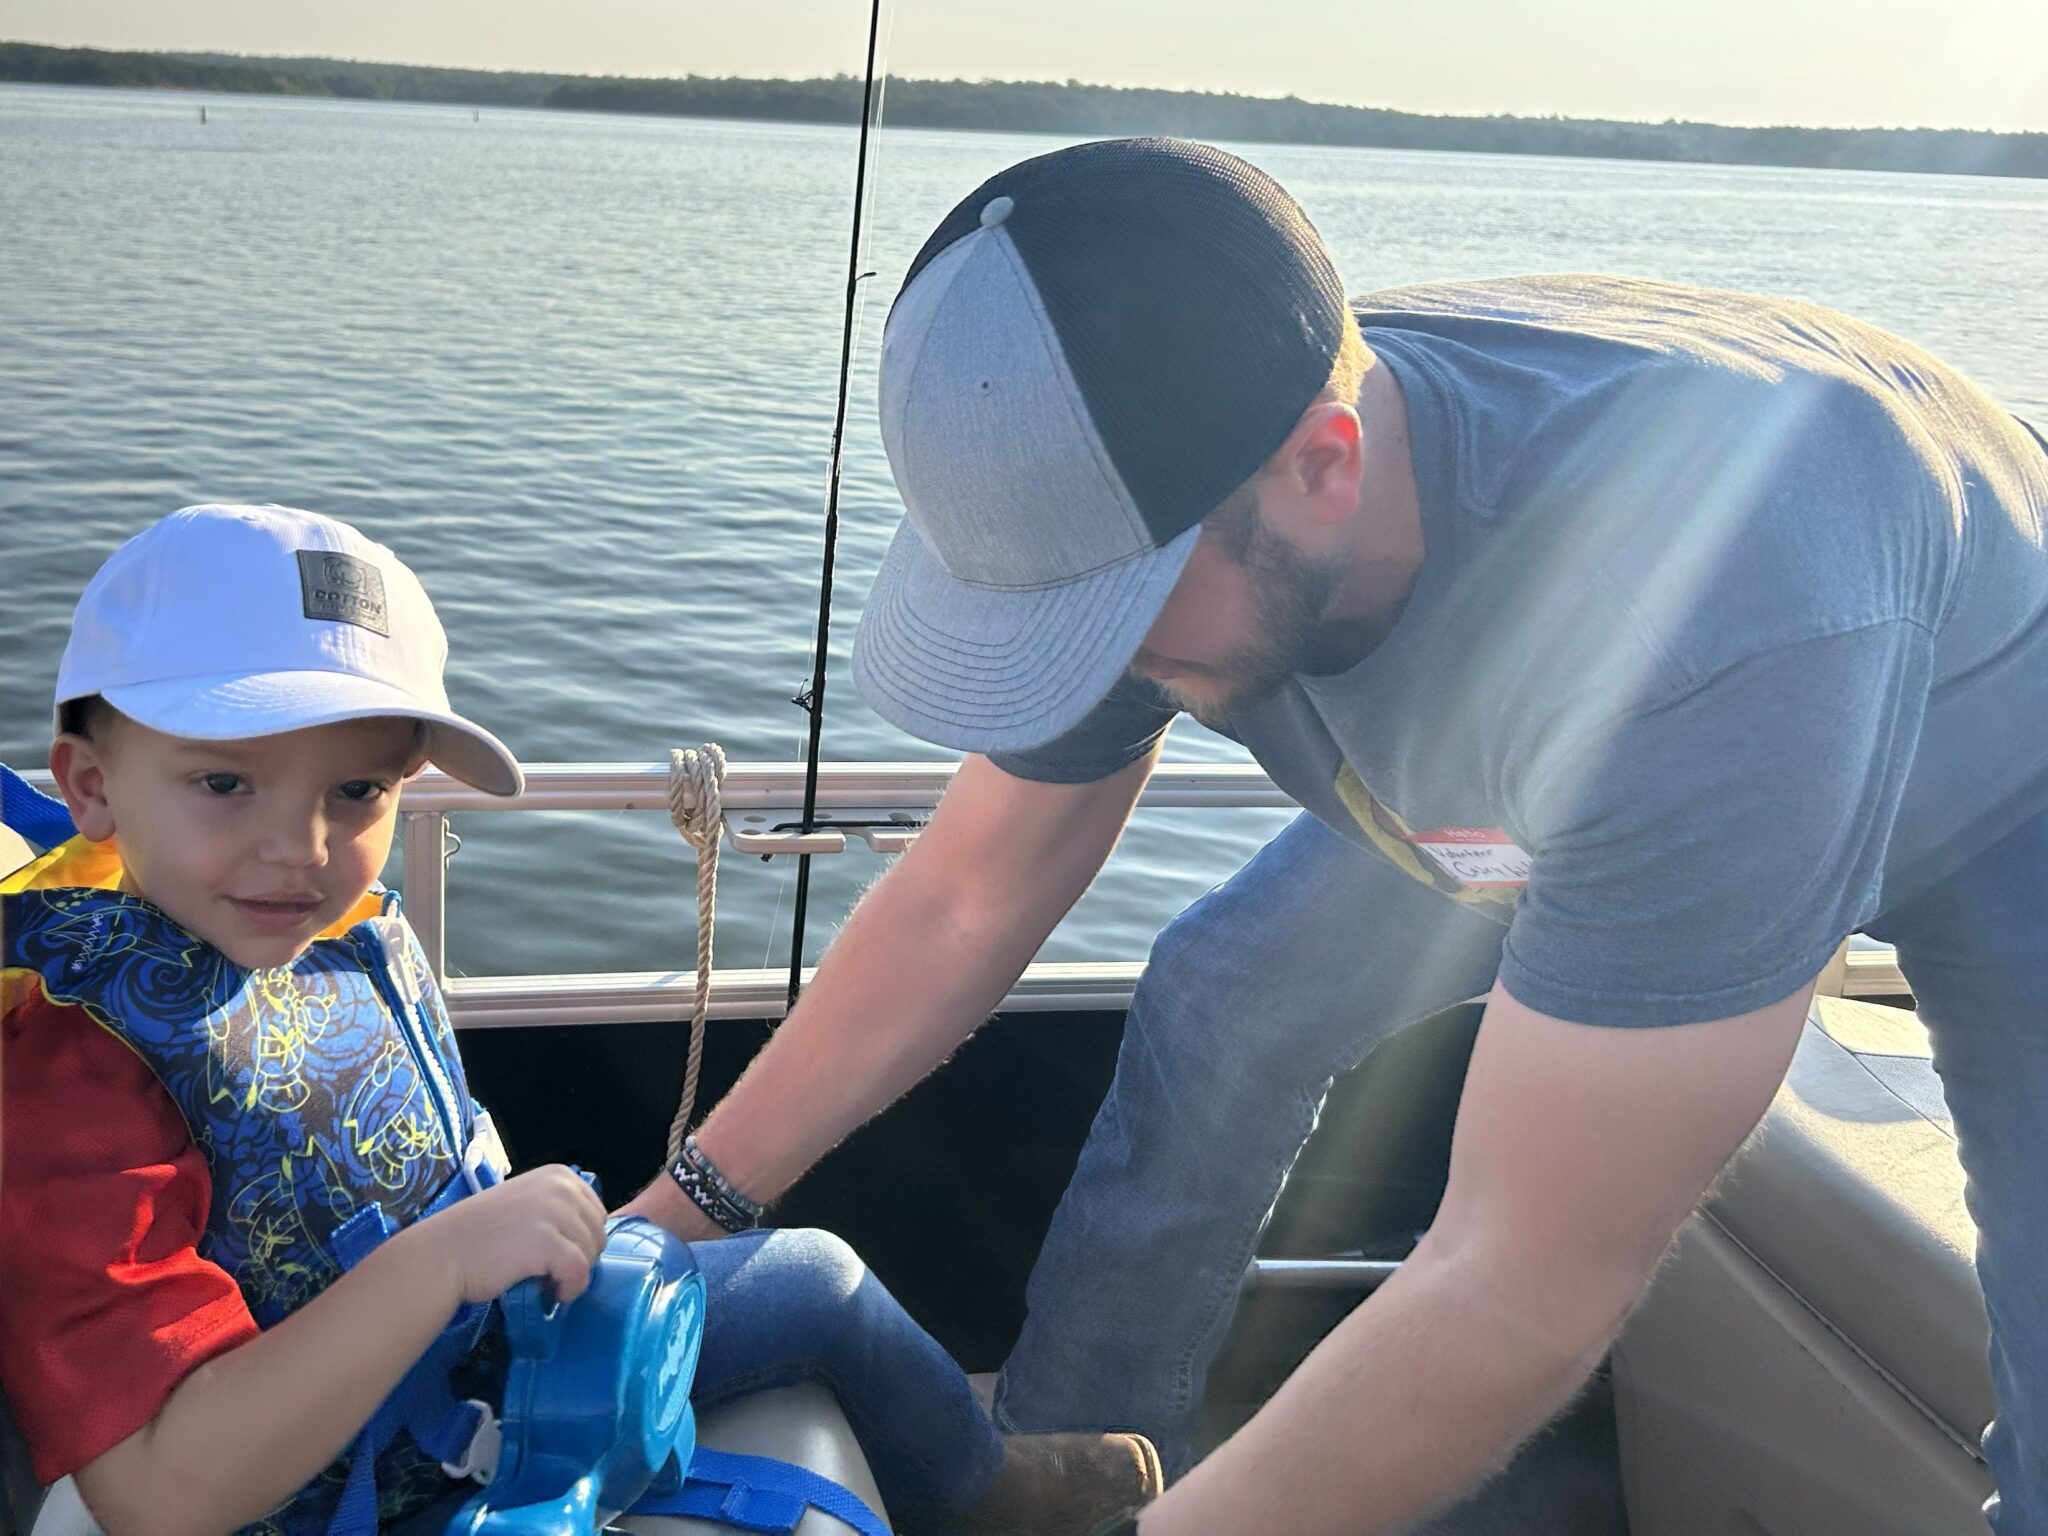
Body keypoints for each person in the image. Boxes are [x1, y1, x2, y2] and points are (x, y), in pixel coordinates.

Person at [620, 137, 2048, 1536]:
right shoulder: (1178, 449)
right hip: (1559, 758)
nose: (1079, 676)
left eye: (1112, 617)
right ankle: (1060, 1480)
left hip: (1993, 774)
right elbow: (964, 902)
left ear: (1326, 468)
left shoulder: (1719, 625)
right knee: (1225, 997)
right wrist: (670, 1223)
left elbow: (1519, 1282)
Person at [0, 504, 1162, 1536]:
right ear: (90, 785)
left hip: (492, 1352)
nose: (300, 851)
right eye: (224, 783)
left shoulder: (324, 929)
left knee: (815, 1275)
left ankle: (979, 1491)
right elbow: (155, 1494)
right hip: (356, 1473)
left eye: (355, 791)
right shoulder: (80, 1082)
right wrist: (445, 1261)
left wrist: (481, 1248)